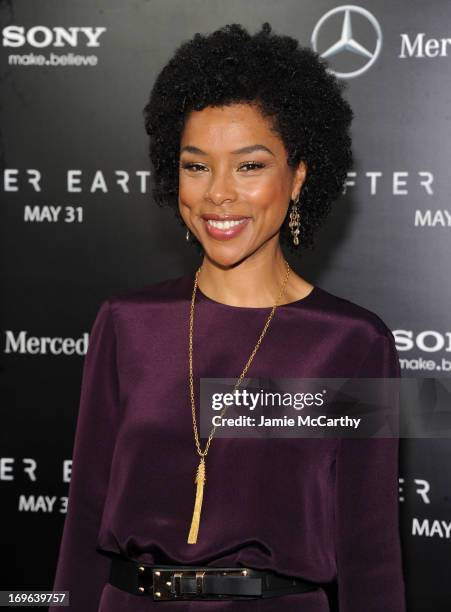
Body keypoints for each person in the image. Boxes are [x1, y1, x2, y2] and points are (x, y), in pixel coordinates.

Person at [50, 22, 406, 612]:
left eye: (249, 166)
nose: (217, 193)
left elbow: (370, 554)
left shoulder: (354, 343)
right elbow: (84, 522)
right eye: (196, 166)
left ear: (298, 177)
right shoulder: (126, 323)